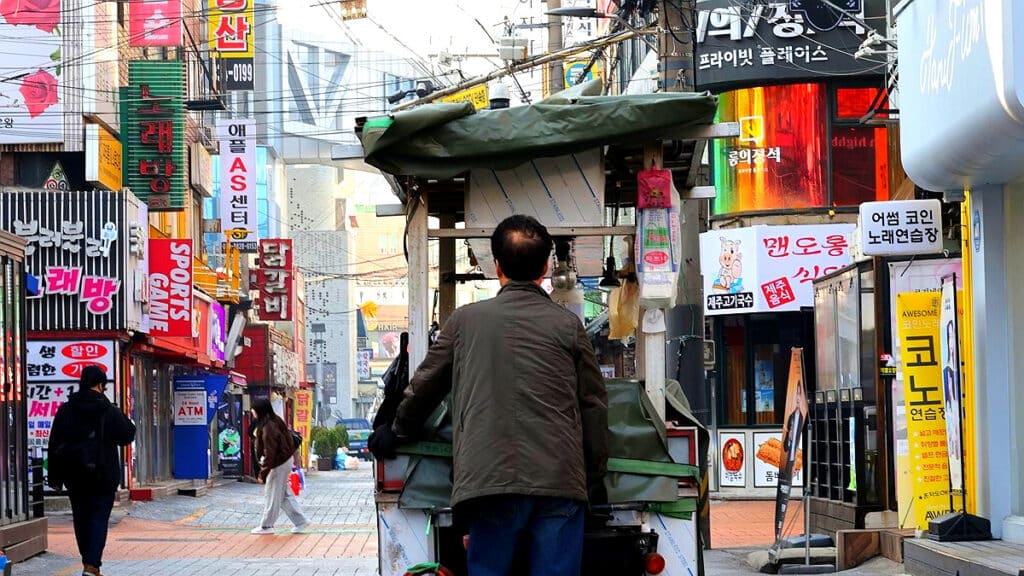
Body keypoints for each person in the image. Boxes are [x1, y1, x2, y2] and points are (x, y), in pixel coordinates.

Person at [369, 214, 609, 575]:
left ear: (496, 266)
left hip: (489, 483)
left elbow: (425, 385)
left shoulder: (465, 322)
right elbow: (593, 403)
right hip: (559, 482)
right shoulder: (568, 325)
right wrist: (594, 474)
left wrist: (398, 429)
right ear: (545, 268)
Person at [48, 366, 136, 576]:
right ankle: (91, 564)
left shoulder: (66, 409)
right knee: (98, 518)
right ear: (99, 385)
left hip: (74, 475)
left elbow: (55, 444)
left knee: (81, 518)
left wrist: (55, 477)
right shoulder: (107, 409)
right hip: (103, 475)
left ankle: (88, 561)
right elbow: (127, 434)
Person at [250, 398, 309, 534]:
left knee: (272, 494)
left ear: (259, 410)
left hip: (278, 463)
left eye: (253, 409)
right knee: (283, 495)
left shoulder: (268, 427)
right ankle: (301, 521)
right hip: (283, 461)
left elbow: (270, 453)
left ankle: (266, 526)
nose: (252, 411)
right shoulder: (274, 420)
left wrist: (262, 474)